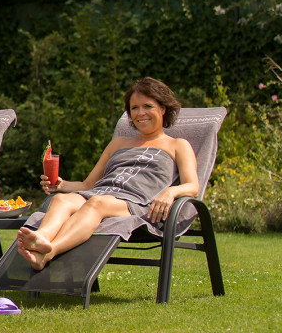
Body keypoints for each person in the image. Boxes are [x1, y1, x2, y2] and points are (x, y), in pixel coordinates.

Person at [16, 77, 199, 271]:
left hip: (138, 205)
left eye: (148, 106)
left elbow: (193, 186)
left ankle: (50, 251)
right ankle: (41, 238)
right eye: (134, 108)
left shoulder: (177, 145)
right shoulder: (118, 144)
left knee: (97, 203)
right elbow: (88, 185)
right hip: (101, 194)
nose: (141, 113)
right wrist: (61, 185)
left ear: (163, 109)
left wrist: (170, 192)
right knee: (62, 200)